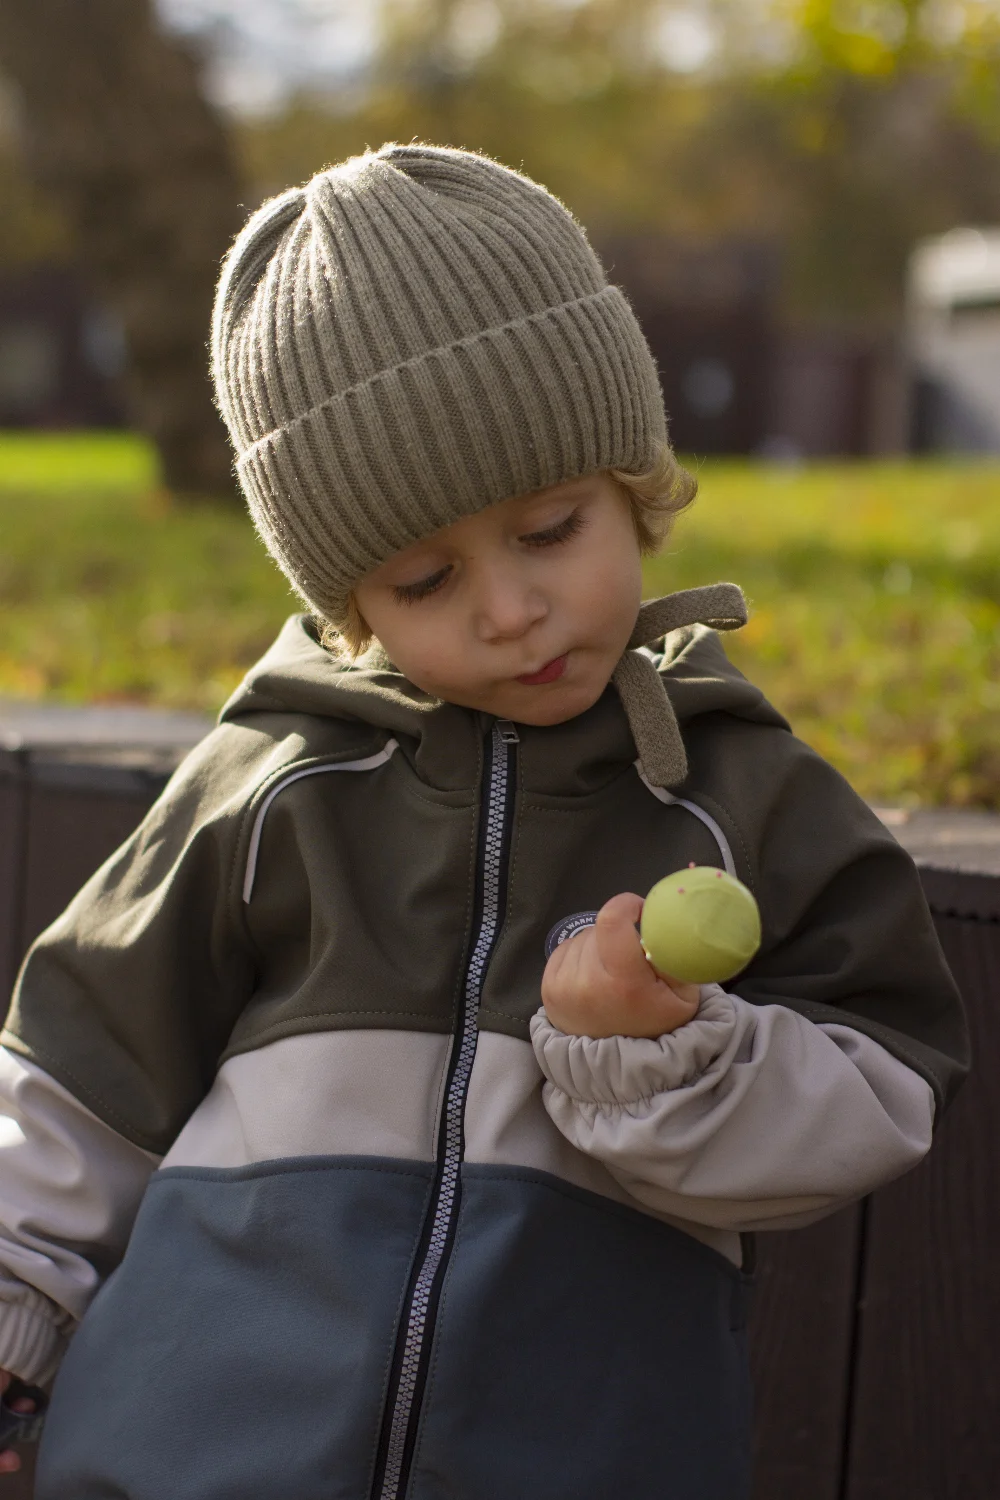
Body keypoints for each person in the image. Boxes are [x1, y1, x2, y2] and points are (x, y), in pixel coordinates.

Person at [0, 144, 967, 1500]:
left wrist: (657, 1059)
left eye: (552, 527)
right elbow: (75, 1073)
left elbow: (883, 1090)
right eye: (424, 579)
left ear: (635, 484)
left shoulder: (736, 796)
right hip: (186, 1457)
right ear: (350, 607)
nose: (510, 610)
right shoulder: (273, 784)